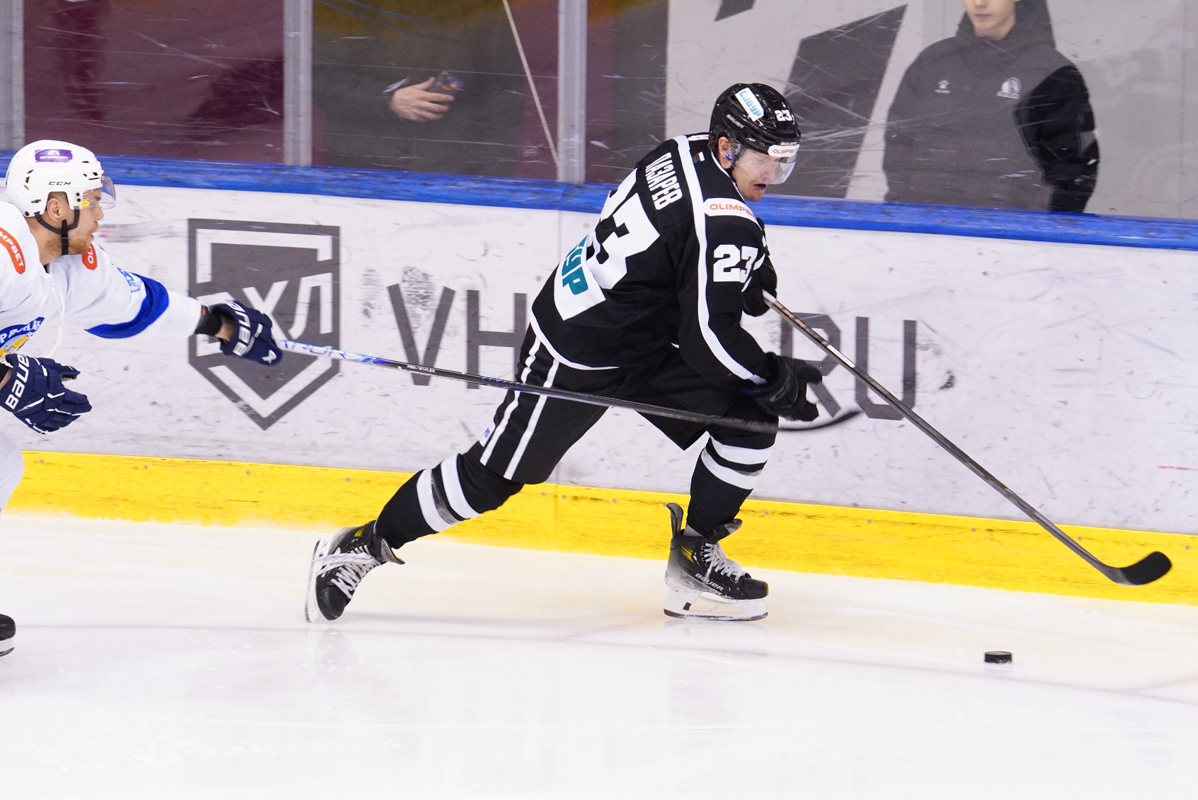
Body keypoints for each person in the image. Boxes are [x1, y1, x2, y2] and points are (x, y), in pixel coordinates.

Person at [304, 83, 825, 624]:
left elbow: (684, 241)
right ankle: (360, 546)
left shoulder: (683, 150)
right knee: (491, 479)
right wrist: (771, 376)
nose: (772, 173)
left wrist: (744, 267)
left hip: (639, 337)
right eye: (764, 159)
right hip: (579, 347)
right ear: (726, 147)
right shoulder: (724, 222)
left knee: (747, 423)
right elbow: (708, 340)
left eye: (783, 162)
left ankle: (695, 558)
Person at [0, 139, 284, 657]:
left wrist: (217, 324)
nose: (100, 212)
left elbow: (131, 306)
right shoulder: (4, 251)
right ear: (55, 207)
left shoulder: (63, 264)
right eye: (91, 199)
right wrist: (5, 380)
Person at [883, 0, 1099, 212]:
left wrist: (1032, 225)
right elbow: (899, 141)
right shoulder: (933, 62)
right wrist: (905, 208)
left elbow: (1073, 169)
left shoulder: (1050, 72)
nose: (979, 3)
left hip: (1010, 230)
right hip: (925, 224)